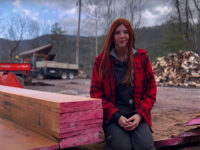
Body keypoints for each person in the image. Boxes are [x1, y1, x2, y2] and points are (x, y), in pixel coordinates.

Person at [90, 18, 156, 150]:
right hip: (114, 117)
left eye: (125, 32)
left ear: (130, 34)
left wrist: (139, 115)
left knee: (146, 147)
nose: (122, 36)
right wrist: (116, 117)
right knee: (121, 147)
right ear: (112, 36)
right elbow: (96, 94)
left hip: (138, 114)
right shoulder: (101, 62)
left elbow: (151, 90)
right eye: (117, 32)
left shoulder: (142, 57)